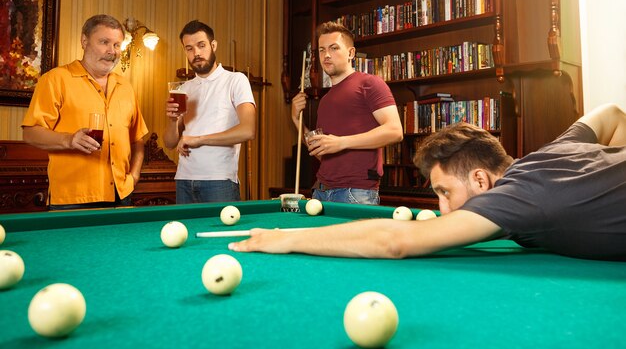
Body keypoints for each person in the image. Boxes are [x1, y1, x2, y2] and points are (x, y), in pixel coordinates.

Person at [229, 103, 626, 261]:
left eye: (445, 192)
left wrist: (288, 239)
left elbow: (395, 241)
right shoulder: (548, 155)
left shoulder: (519, 194)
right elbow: (611, 115)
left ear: (480, 179)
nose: (443, 209)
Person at [22, 14, 148, 209]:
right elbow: (30, 132)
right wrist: (69, 140)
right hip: (72, 199)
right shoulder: (56, 79)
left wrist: (134, 176)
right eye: (104, 42)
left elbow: (138, 139)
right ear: (84, 41)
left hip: (121, 195)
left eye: (116, 45)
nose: (111, 51)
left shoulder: (126, 87)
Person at [291, 21, 403, 205]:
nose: (326, 55)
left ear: (351, 53)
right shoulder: (325, 100)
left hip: (355, 193)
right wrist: (296, 120)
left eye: (334, 48)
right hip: (321, 191)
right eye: (321, 50)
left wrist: (341, 142)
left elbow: (395, 131)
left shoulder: (369, 83)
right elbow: (321, 152)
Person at [164, 20, 256, 204]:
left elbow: (248, 130)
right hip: (183, 179)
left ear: (213, 45)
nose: (196, 53)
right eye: (189, 48)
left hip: (219, 180)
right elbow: (170, 142)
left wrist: (198, 139)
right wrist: (173, 121)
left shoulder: (236, 80)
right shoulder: (184, 88)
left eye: (201, 45)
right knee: (185, 233)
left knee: (223, 234)